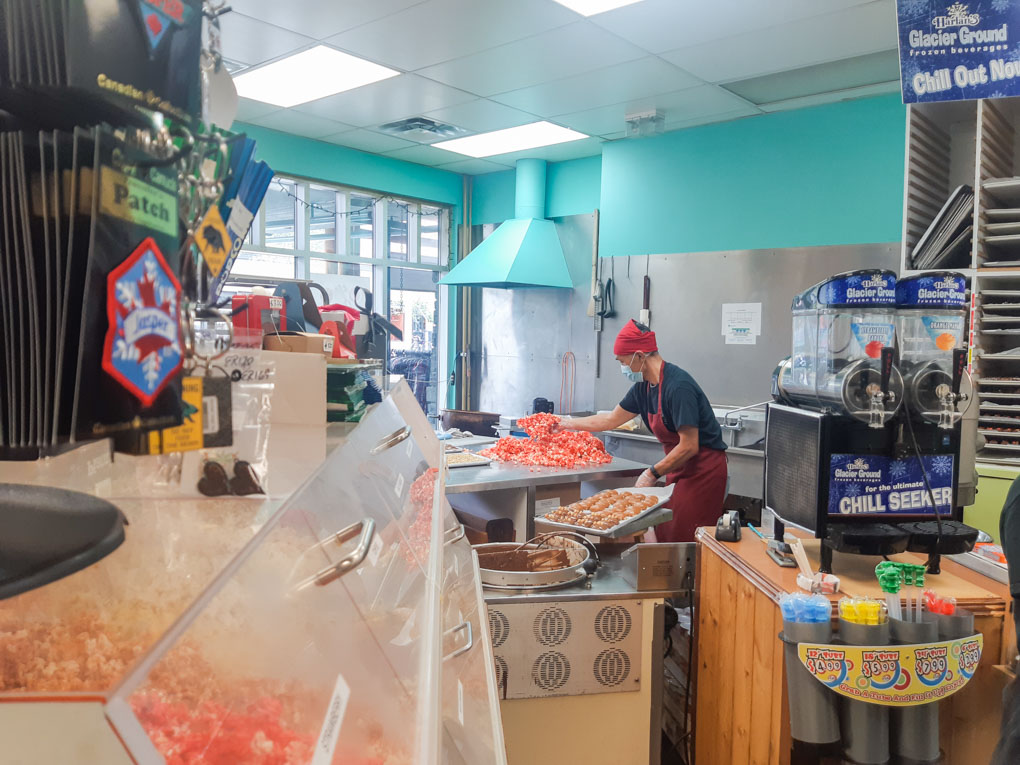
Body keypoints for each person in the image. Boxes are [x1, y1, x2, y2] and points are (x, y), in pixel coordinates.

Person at [560, 319, 728, 542]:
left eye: (622, 361)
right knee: (667, 529)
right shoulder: (643, 387)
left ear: (639, 356)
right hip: (678, 468)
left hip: (703, 471)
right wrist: (565, 423)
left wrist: (651, 474)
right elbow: (610, 420)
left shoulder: (678, 387)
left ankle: (690, 577)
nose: (622, 367)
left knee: (687, 535)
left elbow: (689, 445)